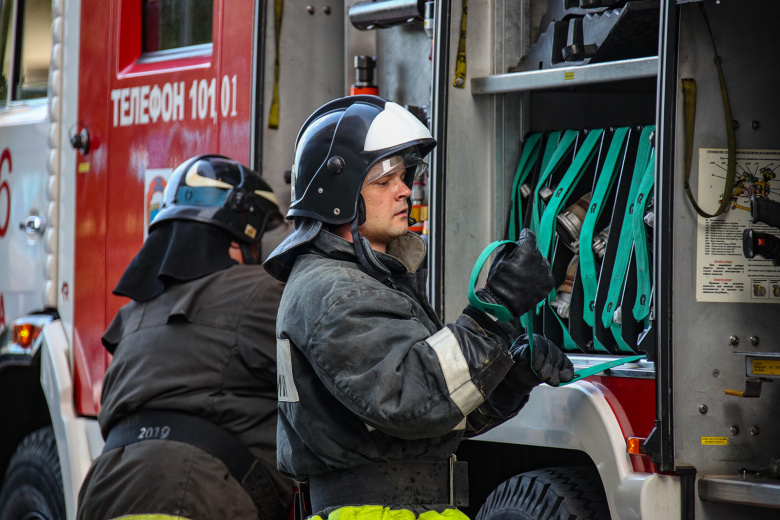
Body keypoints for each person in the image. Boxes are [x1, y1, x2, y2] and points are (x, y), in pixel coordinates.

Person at [263, 95, 574, 520]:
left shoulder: (365, 281)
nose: (405, 190)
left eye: (404, 177)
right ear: (339, 194)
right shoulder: (338, 291)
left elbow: (436, 418)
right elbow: (412, 402)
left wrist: (510, 378)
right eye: (384, 181)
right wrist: (494, 311)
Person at [77, 154, 294, 520]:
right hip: (193, 490)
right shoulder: (258, 290)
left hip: (103, 488)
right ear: (240, 235)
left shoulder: (133, 314)